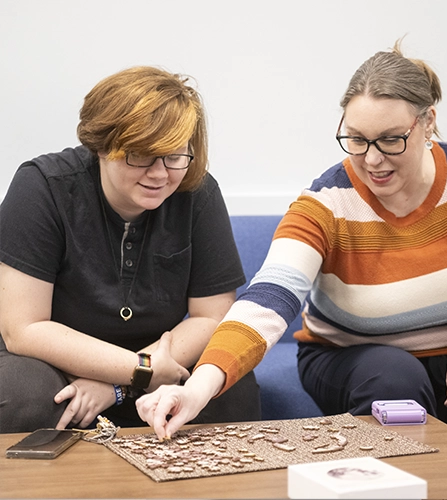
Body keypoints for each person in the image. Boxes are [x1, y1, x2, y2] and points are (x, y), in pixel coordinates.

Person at [135, 43, 447, 442]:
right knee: (395, 375)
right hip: (355, 359)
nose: (373, 160)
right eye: (356, 140)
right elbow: (269, 298)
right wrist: (196, 388)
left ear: (428, 121)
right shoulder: (326, 204)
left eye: (390, 139)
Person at [0, 66, 261, 433]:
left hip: (158, 358)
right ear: (102, 145)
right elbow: (23, 329)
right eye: (140, 155)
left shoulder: (197, 193)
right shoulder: (42, 187)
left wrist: (119, 386)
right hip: (50, 361)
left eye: (174, 156)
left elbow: (212, 317)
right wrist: (140, 371)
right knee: (26, 393)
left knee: (230, 385)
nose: (159, 174)